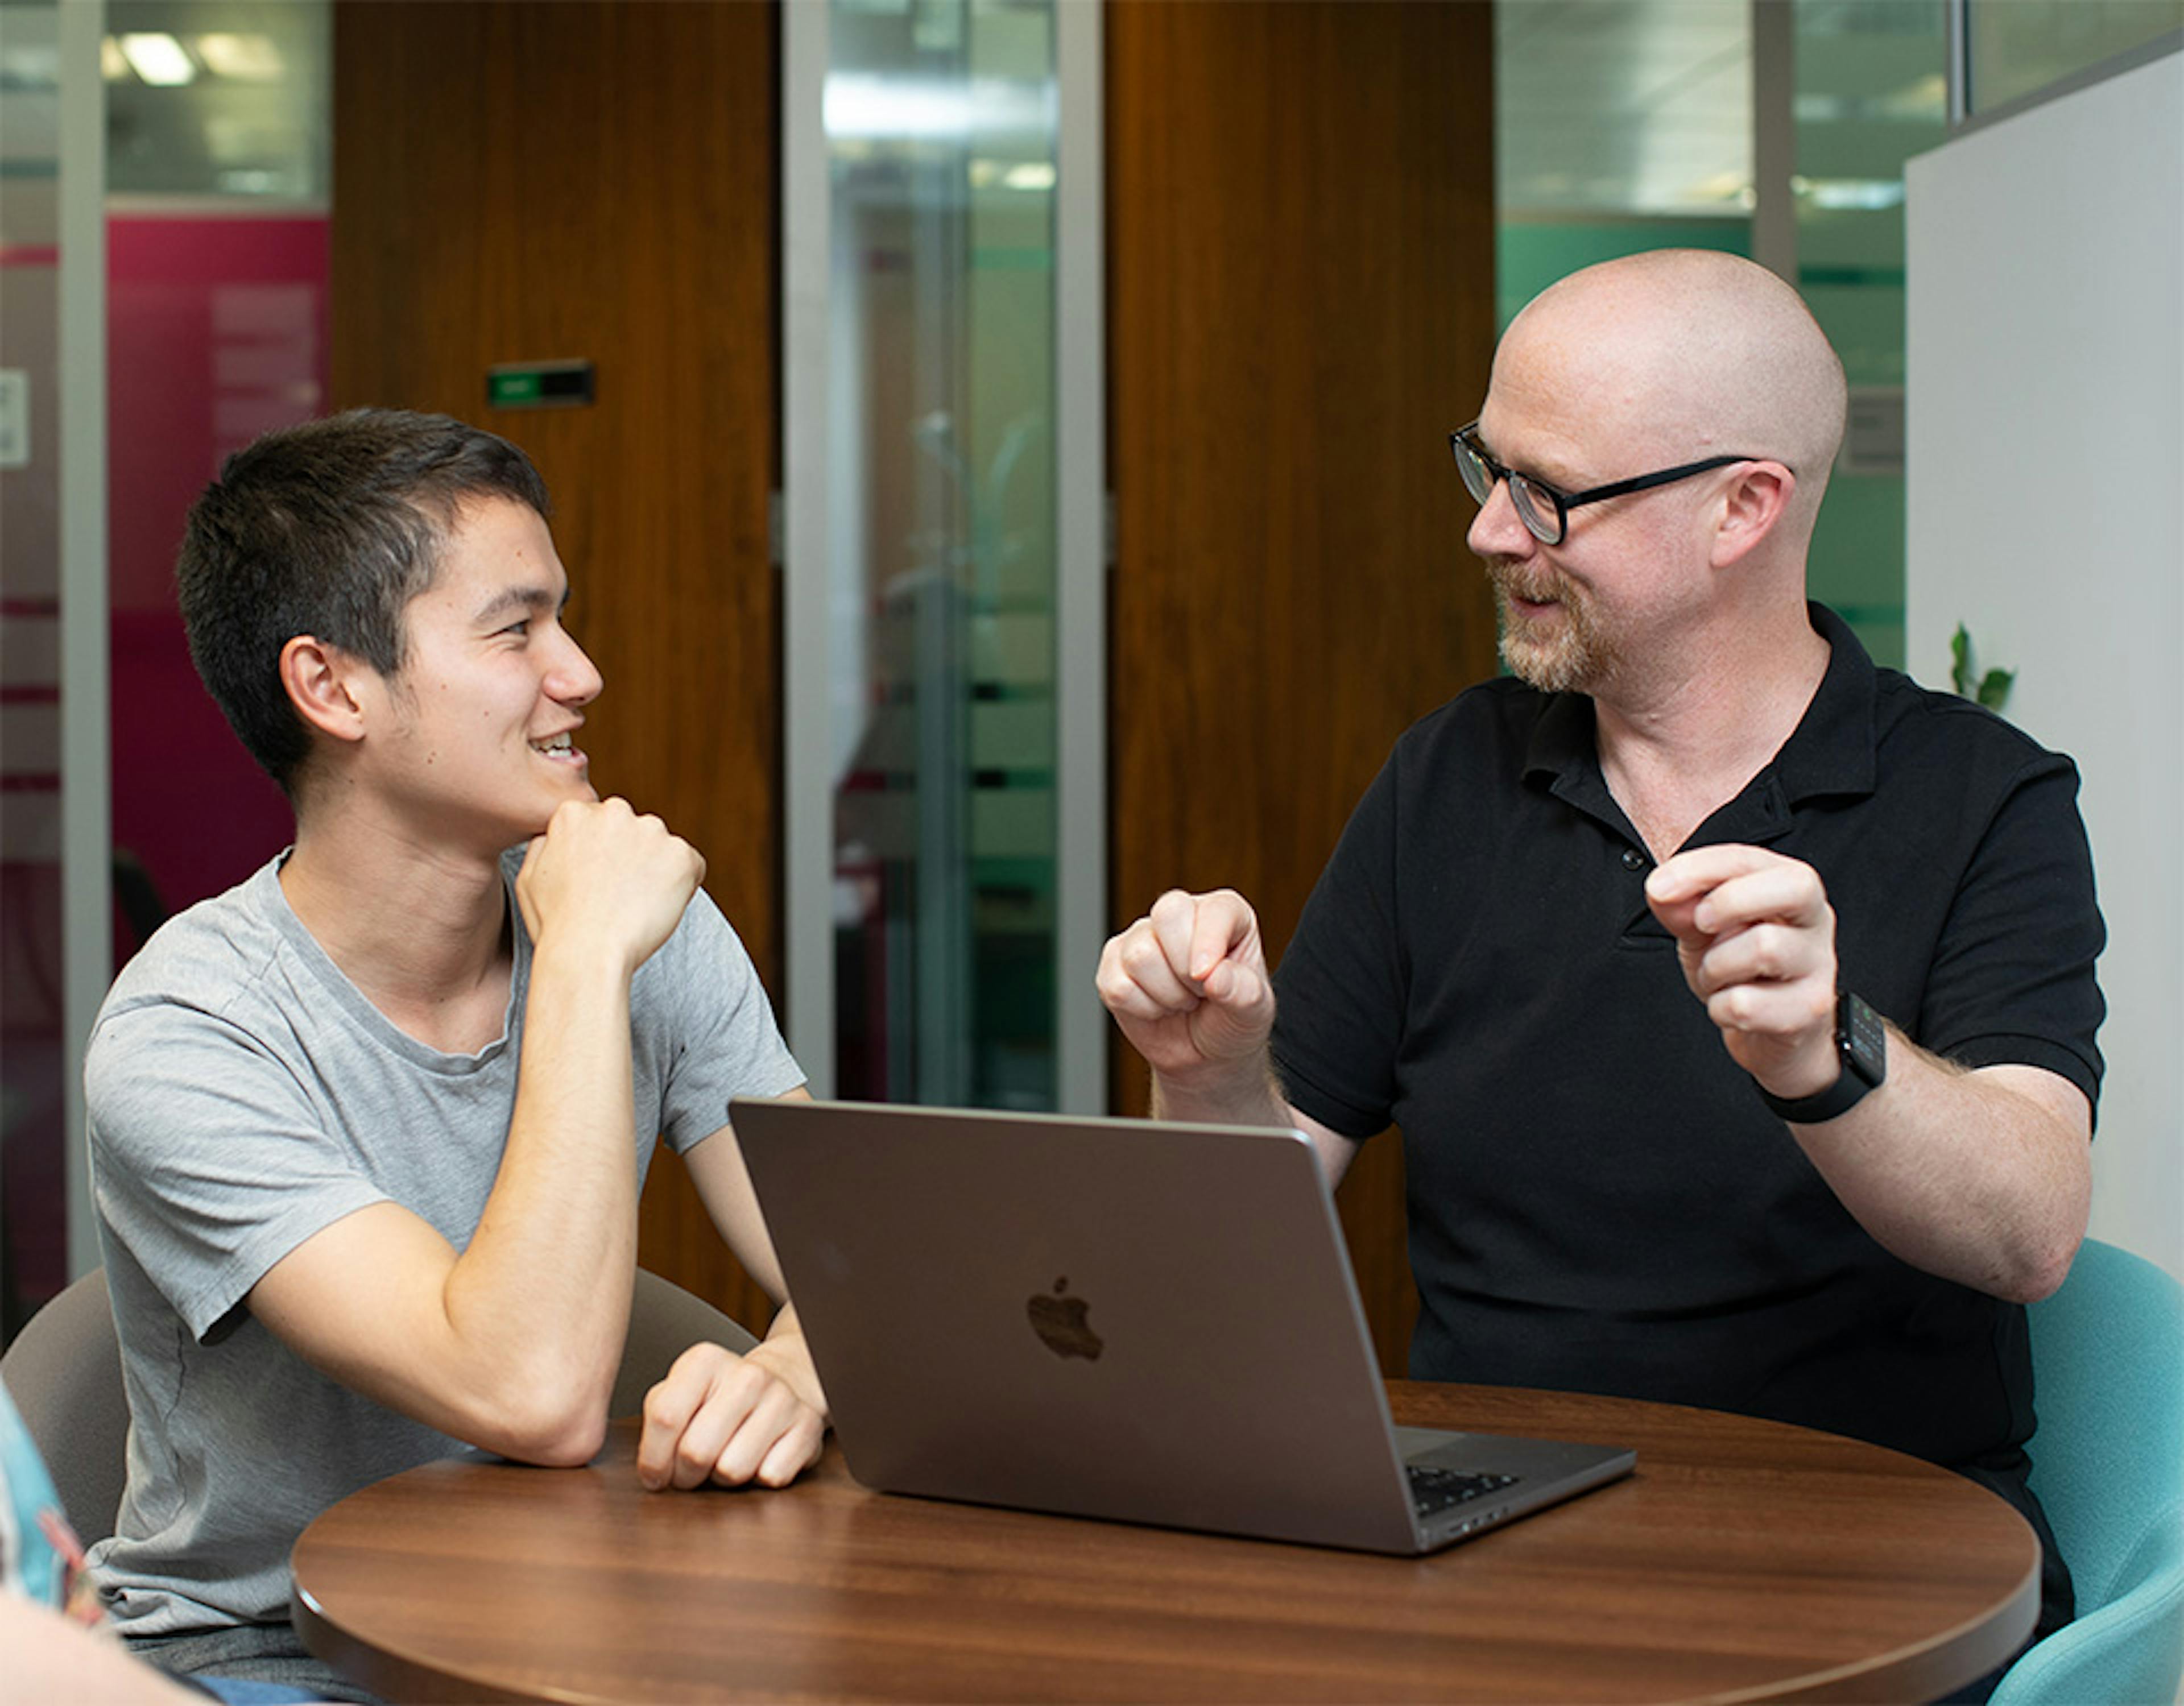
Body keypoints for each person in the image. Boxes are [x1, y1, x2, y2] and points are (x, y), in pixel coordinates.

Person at [1096, 249, 2102, 1666]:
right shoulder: (1448, 776)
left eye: (1549, 493)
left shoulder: (1983, 797)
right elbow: (1213, 1255)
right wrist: (1213, 1076)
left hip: (1865, 1560)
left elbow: (2030, 1230)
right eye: (1485, 468)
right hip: (1485, 1546)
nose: (1491, 535)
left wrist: (1830, 1055)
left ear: (1742, 508)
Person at [84, 410, 822, 1699]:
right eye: (515, 630)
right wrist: (586, 964)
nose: (580, 673)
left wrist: (803, 1367)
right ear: (332, 686)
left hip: (572, 1626)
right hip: (268, 1660)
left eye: (563, 619)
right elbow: (526, 1389)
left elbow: (878, 1278)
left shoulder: (638, 919)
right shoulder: (185, 1038)